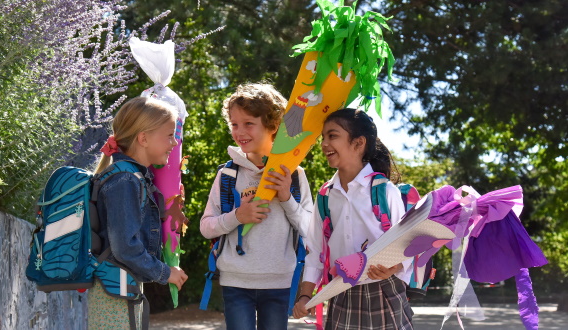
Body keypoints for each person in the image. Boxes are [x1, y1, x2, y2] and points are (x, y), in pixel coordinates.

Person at [200, 83, 313, 330]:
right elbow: (207, 228)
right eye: (234, 124)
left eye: (248, 123)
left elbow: (310, 230)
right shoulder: (227, 174)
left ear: (273, 126)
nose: (239, 131)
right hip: (235, 282)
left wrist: (286, 198)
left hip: (279, 283)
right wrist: (238, 216)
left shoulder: (293, 175)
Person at [293, 108, 413, 329]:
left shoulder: (385, 191)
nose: (324, 144)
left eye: (332, 135)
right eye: (323, 138)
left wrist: (393, 268)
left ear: (358, 143)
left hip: (384, 290)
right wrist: (305, 295)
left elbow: (407, 246)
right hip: (342, 292)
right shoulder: (325, 197)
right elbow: (316, 250)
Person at [88, 96, 188, 329]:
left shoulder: (131, 177)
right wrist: (165, 273)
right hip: (114, 292)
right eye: (169, 135)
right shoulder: (125, 180)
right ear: (143, 138)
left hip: (119, 287)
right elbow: (125, 247)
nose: (174, 143)